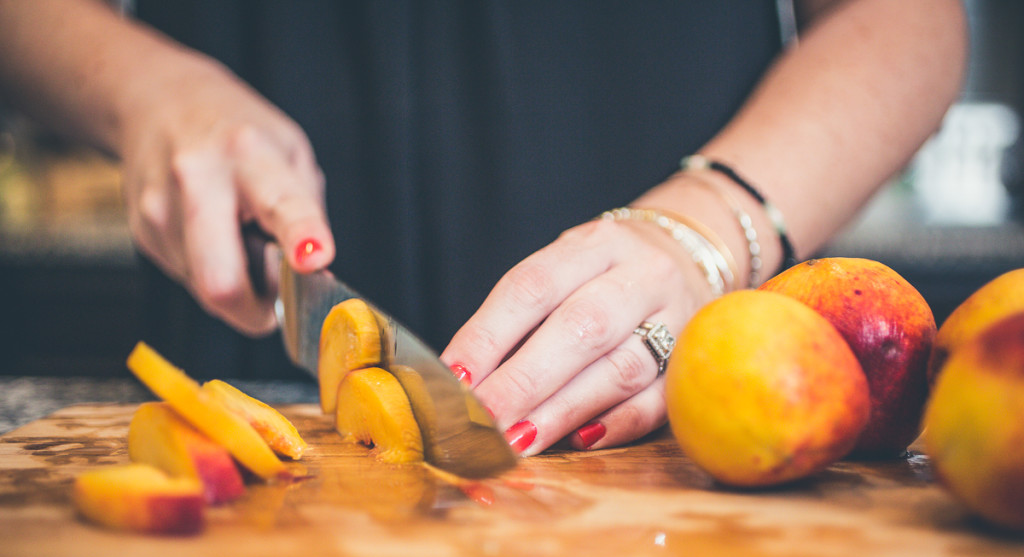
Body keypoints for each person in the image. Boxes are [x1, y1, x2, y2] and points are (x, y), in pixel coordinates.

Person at [0, 0, 967, 455]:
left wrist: (709, 225)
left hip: (666, 386)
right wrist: (142, 87)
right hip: (249, 365)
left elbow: (914, 21)